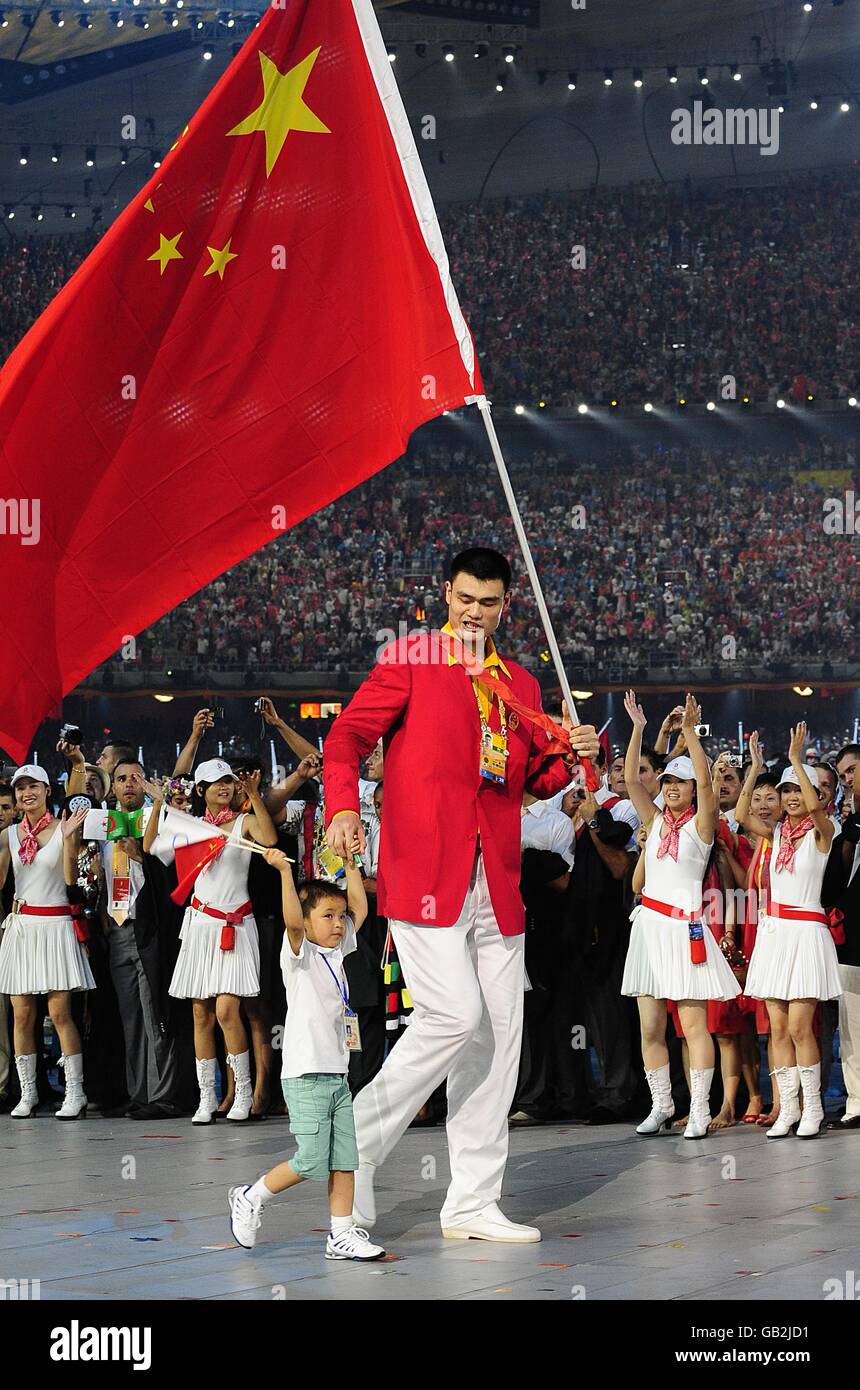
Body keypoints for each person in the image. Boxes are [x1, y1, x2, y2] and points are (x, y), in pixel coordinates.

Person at [323, 547, 599, 1242]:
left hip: (497, 882)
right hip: (424, 874)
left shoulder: (523, 685)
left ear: (508, 605)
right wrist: (344, 809)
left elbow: (529, 781)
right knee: (453, 1016)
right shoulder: (412, 659)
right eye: (465, 599)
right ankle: (348, 1159)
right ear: (446, 594)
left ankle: (472, 1202)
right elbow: (346, 738)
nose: (476, 613)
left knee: (497, 1042)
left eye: (490, 602)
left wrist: (569, 754)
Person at [227, 845, 385, 1261]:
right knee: (312, 1160)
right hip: (306, 1073)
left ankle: (340, 1234)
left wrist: (351, 866)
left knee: (346, 1160)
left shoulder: (339, 949)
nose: (337, 923)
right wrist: (282, 872)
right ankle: (250, 1195)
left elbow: (360, 909)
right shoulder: (299, 953)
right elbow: (292, 921)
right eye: (326, 917)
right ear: (307, 921)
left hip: (337, 1073)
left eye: (338, 917)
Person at [621, 692, 741, 1139]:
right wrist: (637, 728)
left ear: (693, 788)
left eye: (680, 782)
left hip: (685, 927)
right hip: (648, 926)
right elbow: (633, 780)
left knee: (693, 1026)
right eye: (668, 781)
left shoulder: (702, 825)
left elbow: (709, 789)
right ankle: (661, 1105)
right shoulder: (653, 819)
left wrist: (690, 734)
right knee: (650, 1026)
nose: (671, 787)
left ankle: (699, 1110)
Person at [157, 759, 278, 1123]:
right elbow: (152, 847)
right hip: (200, 925)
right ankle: (206, 1097)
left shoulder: (243, 822)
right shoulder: (190, 827)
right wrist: (160, 805)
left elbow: (270, 840)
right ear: (200, 790)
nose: (223, 787)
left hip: (236, 925)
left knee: (228, 1010)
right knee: (200, 1013)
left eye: (227, 781)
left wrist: (255, 795)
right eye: (214, 783)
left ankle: (242, 1093)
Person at [743, 724, 842, 1139]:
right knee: (778, 1027)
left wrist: (798, 760)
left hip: (805, 932)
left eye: (797, 790)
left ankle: (813, 1109)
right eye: (786, 792)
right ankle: (788, 1108)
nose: (791, 798)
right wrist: (756, 767)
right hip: (774, 932)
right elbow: (741, 813)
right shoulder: (777, 832)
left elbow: (818, 812)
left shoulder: (825, 831)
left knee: (803, 1026)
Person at [0, 768, 93, 1119]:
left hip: (55, 925)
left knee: (59, 1014)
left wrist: (68, 840)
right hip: (22, 926)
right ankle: (28, 1093)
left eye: (32, 786)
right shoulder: (9, 834)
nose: (26, 793)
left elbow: (70, 879)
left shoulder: (62, 827)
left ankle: (75, 1091)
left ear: (46, 789)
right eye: (20, 788)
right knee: (21, 1015)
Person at [98, 758, 187, 1120]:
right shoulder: (103, 826)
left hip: (151, 928)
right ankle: (139, 1092)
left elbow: (174, 872)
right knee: (131, 1017)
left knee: (156, 1015)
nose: (129, 784)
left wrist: (144, 855)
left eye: (136, 777)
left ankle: (164, 1095)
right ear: (113, 788)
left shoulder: (160, 820)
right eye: (121, 779)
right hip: (117, 929)